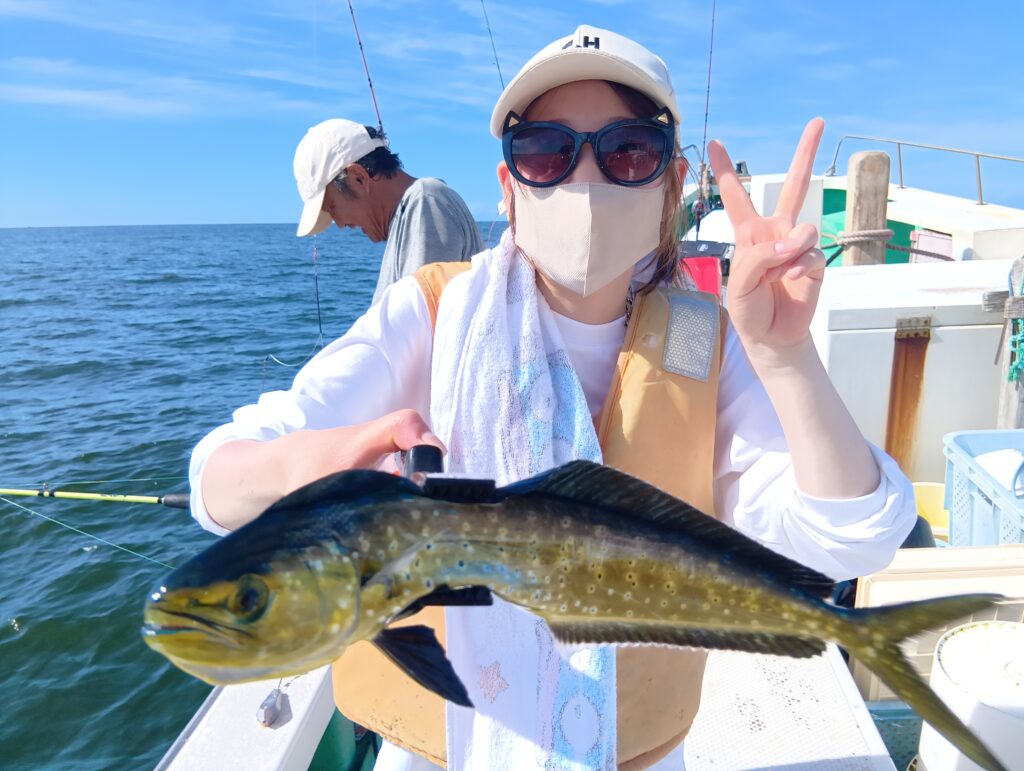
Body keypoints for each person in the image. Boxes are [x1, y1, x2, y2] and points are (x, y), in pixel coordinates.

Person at [191, 25, 916, 770]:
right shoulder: (433, 316)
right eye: (545, 150)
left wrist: (787, 356)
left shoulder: (707, 343)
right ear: (509, 186)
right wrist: (302, 465)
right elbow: (217, 474)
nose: (584, 180)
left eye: (628, 149)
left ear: (671, 182)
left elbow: (853, 538)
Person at [294, 118, 485, 304]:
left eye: (332, 207)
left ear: (358, 178)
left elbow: (417, 325)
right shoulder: (411, 211)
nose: (341, 224)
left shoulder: (425, 201)